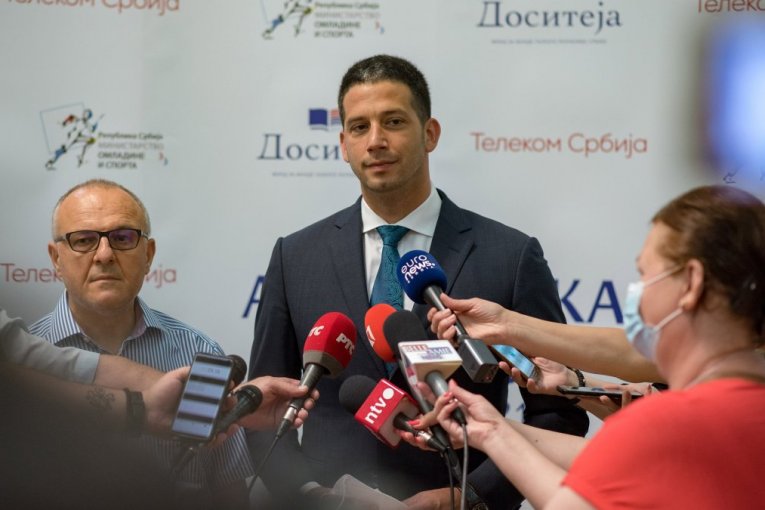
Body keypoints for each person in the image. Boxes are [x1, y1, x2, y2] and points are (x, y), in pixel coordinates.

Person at [246, 54, 588, 510]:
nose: (376, 141)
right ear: (343, 144)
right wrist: (307, 495)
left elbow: (558, 414)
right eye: (360, 127)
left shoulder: (510, 256)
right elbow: (266, 411)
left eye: (393, 122)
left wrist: (469, 496)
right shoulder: (295, 257)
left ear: (430, 133)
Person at [419, 185, 765, 509]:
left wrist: (494, 433)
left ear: (691, 283)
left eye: (645, 275)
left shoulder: (670, 421)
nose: (638, 293)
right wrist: (493, 429)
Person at [29, 179, 254, 509]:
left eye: (122, 238)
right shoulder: (19, 363)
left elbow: (230, 494)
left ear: (148, 255)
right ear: (56, 259)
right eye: (84, 240)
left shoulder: (200, 353)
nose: (104, 255)